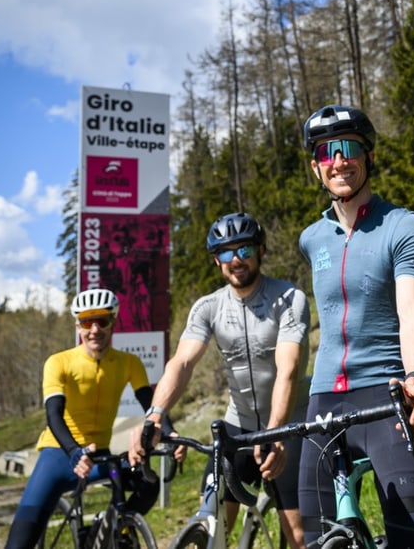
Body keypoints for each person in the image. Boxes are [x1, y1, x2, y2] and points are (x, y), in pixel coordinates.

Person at [129, 211, 310, 549]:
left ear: (261, 251)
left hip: (289, 423)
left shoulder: (289, 298)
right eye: (226, 252)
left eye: (244, 249)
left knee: (298, 536)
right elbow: (182, 362)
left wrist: (275, 432)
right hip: (237, 425)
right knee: (215, 528)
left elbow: (288, 368)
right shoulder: (207, 307)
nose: (236, 260)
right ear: (216, 260)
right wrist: (154, 415)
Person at [299, 105, 414, 548]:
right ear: (316, 166)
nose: (338, 161)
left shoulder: (402, 225)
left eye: (348, 148)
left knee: (409, 538)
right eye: (325, 152)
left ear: (368, 156)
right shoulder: (311, 238)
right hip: (323, 400)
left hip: (384, 390)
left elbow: (411, 309)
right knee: (317, 539)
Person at [5, 288, 162, 549]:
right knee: (19, 542)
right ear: (78, 325)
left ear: (113, 322)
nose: (95, 330)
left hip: (100, 456)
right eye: (87, 322)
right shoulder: (59, 362)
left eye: (102, 321)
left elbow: (151, 405)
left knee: (148, 482)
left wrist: (171, 432)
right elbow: (53, 414)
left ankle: (113, 529)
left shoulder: (129, 363)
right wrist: (74, 452)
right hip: (59, 454)